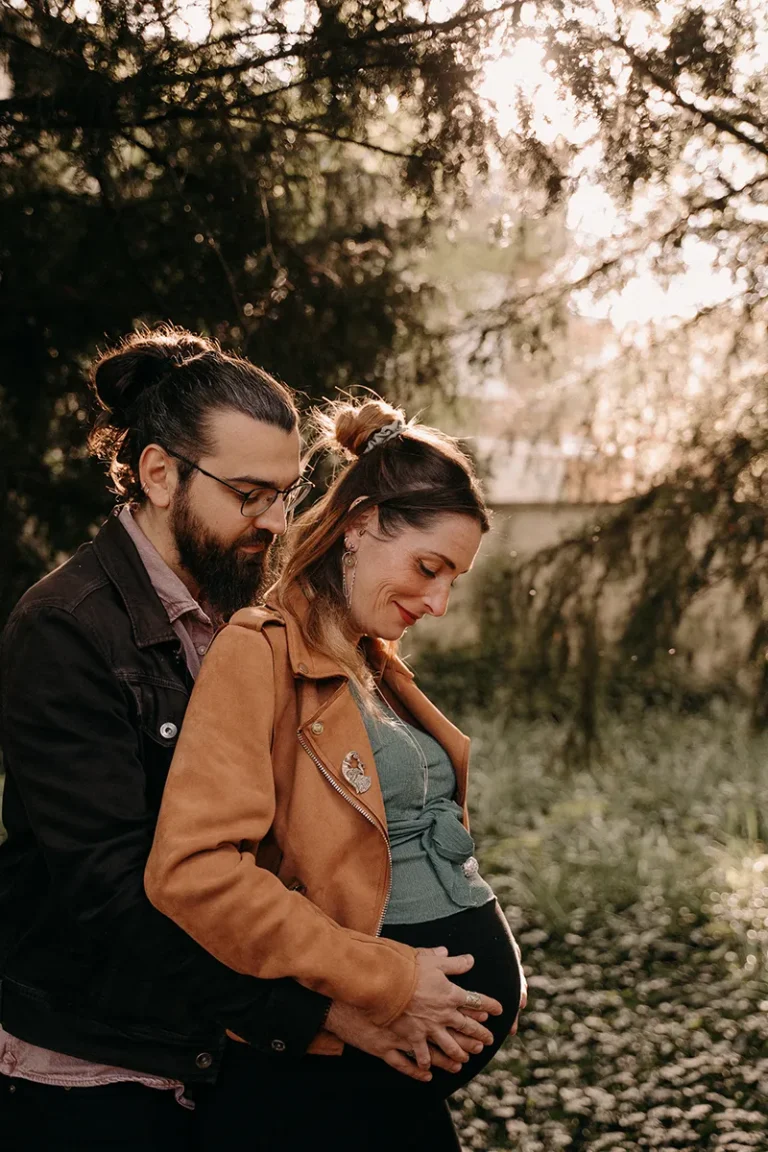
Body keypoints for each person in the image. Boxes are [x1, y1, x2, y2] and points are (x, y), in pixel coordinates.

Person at [0, 329, 487, 1152]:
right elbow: (115, 896)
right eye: (250, 494)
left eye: (288, 493)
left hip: (235, 1055)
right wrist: (329, 1012)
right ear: (159, 475)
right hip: (103, 1066)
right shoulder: (66, 628)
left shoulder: (254, 607)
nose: (275, 520)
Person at [145, 398, 526, 1151]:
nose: (440, 602)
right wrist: (383, 980)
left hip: (388, 1087)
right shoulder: (258, 653)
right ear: (358, 525)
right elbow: (193, 873)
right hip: (317, 1085)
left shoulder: (372, 664)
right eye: (429, 567)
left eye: (454, 578)